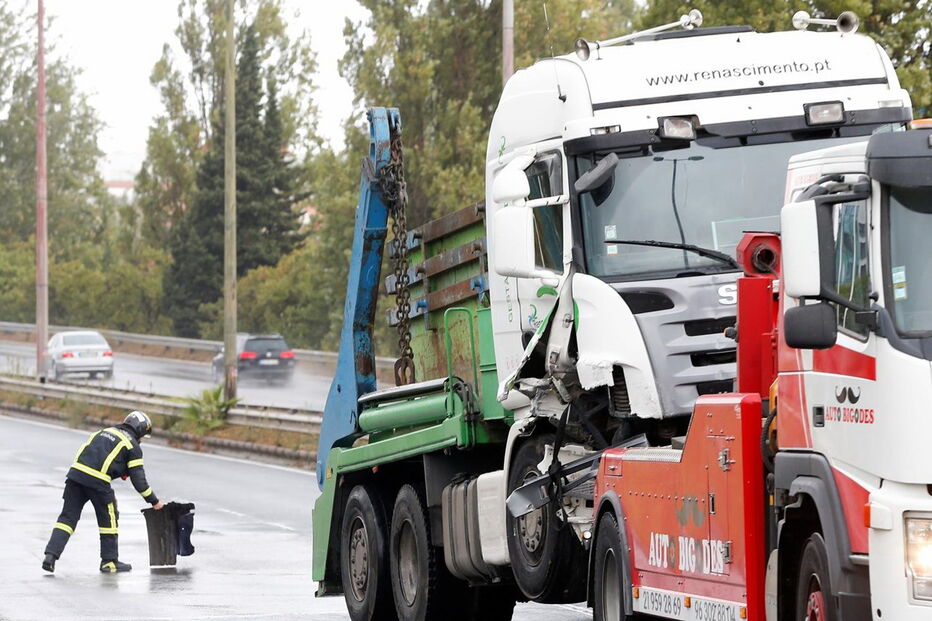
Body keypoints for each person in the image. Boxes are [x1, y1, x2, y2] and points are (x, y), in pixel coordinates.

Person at [42, 410, 164, 573]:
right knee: (109, 519)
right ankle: (109, 561)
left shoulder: (102, 432)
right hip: (98, 481)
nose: (141, 440)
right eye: (142, 437)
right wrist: (154, 501)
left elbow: (94, 457)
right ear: (139, 430)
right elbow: (139, 482)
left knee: (67, 518)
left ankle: (50, 556)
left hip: (75, 476)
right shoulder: (132, 446)